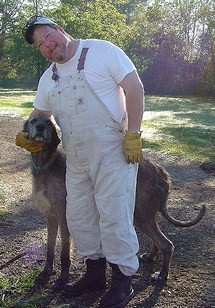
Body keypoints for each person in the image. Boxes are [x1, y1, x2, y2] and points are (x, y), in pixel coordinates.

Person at [16, 15, 145, 308]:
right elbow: (39, 114)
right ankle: (94, 273)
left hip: (113, 150)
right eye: (40, 45)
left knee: (114, 213)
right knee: (80, 216)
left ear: (60, 30)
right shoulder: (48, 77)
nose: (47, 45)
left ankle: (122, 281)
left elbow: (134, 87)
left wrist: (133, 135)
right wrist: (25, 133)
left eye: (48, 36)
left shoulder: (102, 51)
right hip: (75, 156)